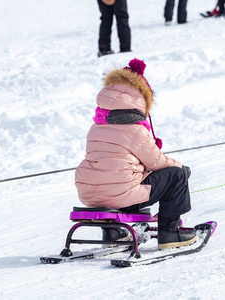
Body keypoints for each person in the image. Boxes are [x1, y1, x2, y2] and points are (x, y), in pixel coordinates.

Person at [75, 58, 196, 249]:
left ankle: (113, 232)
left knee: (115, 176)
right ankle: (170, 232)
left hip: (90, 194)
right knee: (176, 175)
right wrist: (182, 169)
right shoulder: (134, 129)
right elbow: (157, 163)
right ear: (139, 100)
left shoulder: (96, 127)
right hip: (121, 196)